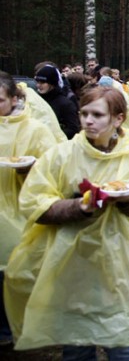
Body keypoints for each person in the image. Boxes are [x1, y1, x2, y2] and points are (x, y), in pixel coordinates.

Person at [4, 86, 129, 359]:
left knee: (122, 339)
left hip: (119, 260)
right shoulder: (62, 155)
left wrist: (128, 199)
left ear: (118, 118)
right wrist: (76, 206)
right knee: (76, 341)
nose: (88, 121)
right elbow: (34, 202)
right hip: (72, 260)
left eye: (98, 115)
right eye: (84, 113)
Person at [0, 72, 62, 346]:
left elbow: (54, 167)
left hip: (19, 210)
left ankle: (31, 324)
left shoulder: (35, 128)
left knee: (19, 269)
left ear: (14, 98)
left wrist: (30, 168)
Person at [34, 64, 81, 139]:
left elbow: (73, 129)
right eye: (37, 82)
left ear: (52, 84)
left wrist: (52, 137)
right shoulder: (35, 100)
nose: (38, 85)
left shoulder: (65, 104)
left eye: (42, 82)